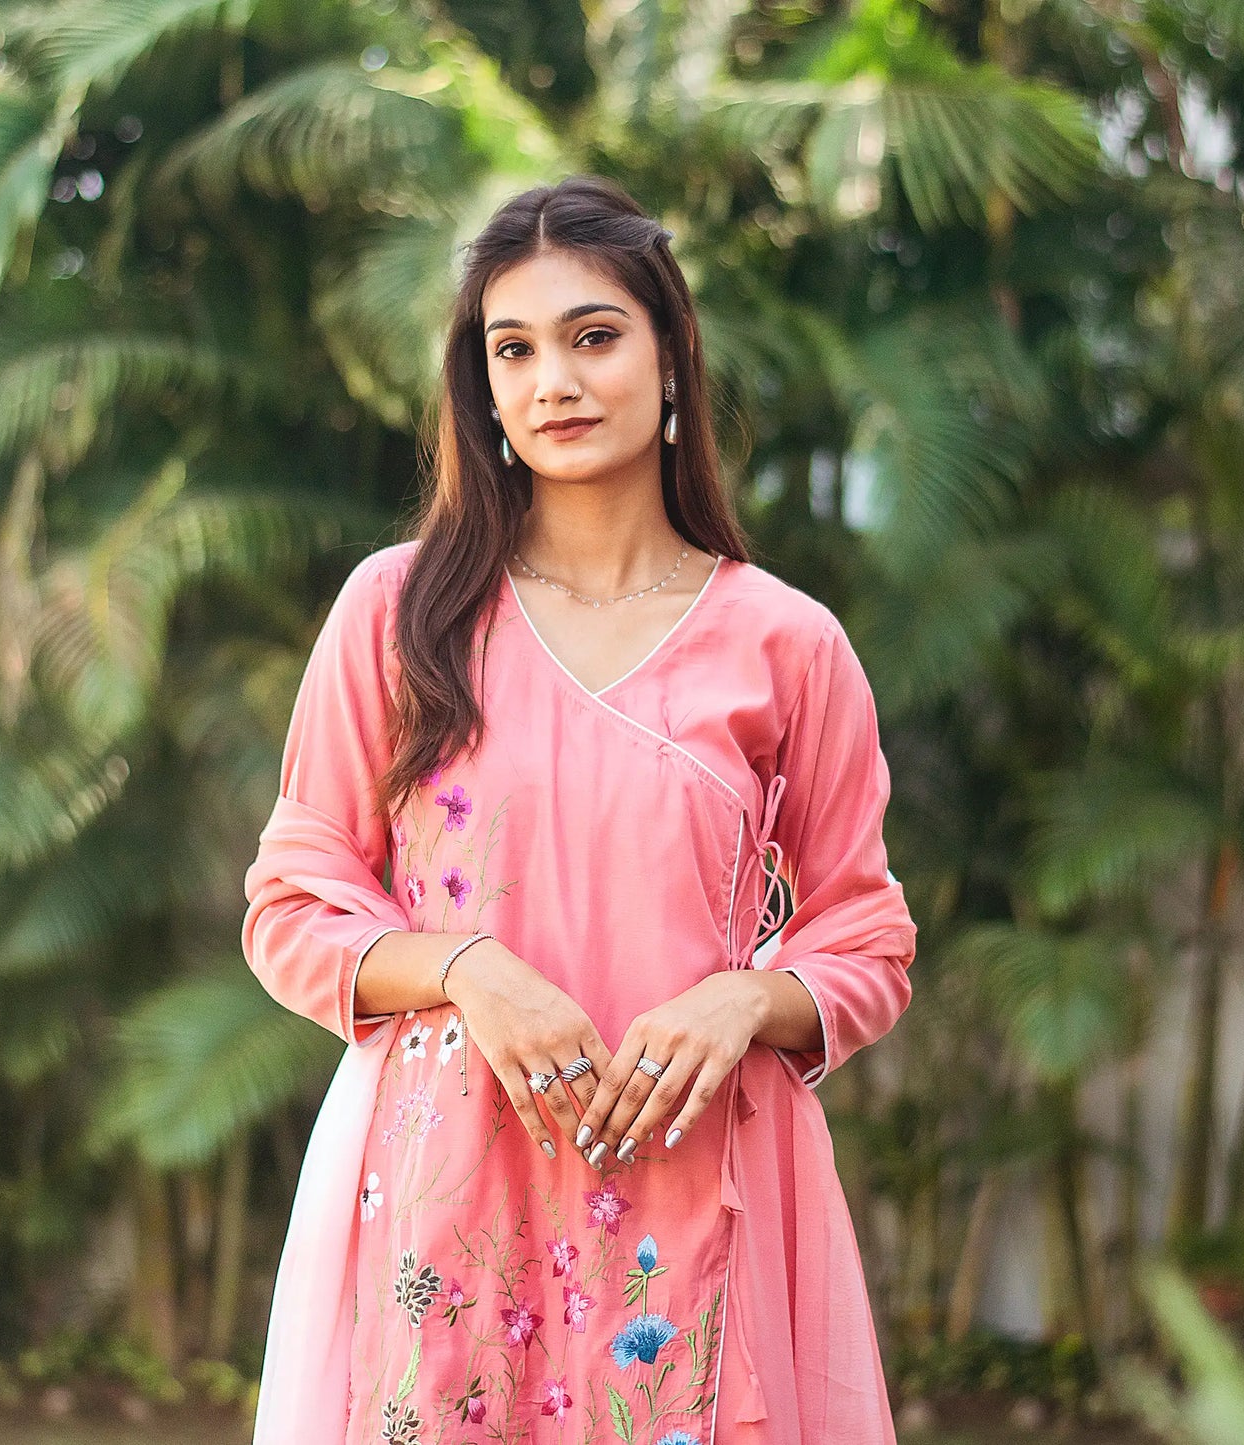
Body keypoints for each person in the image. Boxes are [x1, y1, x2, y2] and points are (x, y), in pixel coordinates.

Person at [241, 173, 917, 1444]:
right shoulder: (401, 614)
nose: (552, 377)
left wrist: (746, 997)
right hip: (450, 1199)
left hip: (694, 1178)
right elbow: (291, 901)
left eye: (593, 336)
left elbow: (863, 937)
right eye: (514, 348)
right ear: (482, 390)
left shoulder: (784, 643)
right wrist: (464, 969)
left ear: (671, 365)